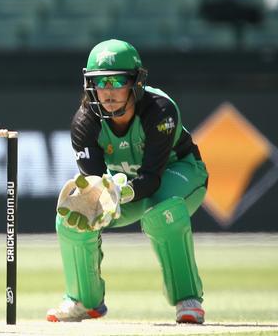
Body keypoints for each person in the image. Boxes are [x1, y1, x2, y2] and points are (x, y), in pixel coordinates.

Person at [47, 39, 208, 324]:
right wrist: (101, 194)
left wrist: (120, 191)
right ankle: (85, 300)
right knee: (75, 217)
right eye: (100, 82)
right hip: (126, 183)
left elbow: (152, 180)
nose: (108, 92)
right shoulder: (84, 123)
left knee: (163, 212)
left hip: (178, 172)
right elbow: (95, 182)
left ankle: (188, 299)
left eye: (116, 81)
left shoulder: (160, 111)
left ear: (136, 82)